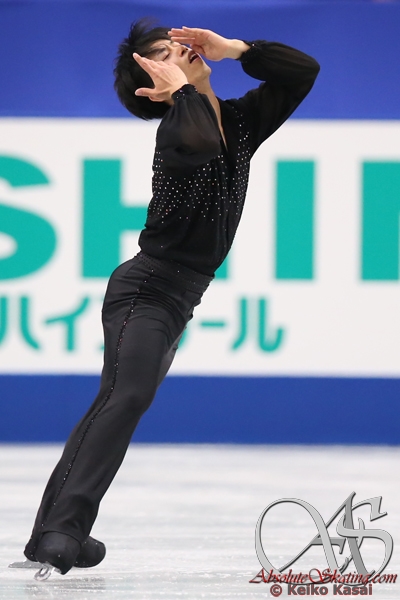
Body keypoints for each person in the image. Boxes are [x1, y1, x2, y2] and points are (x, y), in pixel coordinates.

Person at [19, 19, 320, 578]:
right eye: (163, 55)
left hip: (180, 299)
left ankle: (53, 533)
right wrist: (182, 92)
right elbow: (199, 139)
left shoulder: (240, 123)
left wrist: (237, 50)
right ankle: (63, 530)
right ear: (152, 87)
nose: (180, 51)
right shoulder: (179, 131)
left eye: (176, 44)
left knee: (120, 400)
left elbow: (303, 72)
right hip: (146, 291)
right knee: (126, 396)